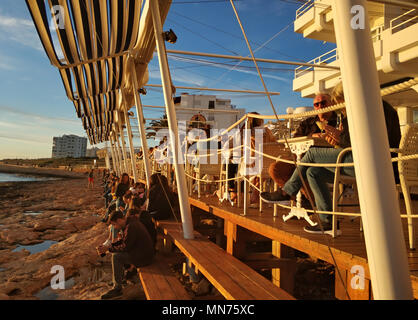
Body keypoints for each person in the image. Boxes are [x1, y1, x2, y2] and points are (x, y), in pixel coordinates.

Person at [261, 83, 401, 235]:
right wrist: (339, 139)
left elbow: (365, 142)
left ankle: (286, 193)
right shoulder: (380, 107)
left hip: (369, 163)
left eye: (336, 102)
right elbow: (363, 140)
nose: (337, 105)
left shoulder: (362, 109)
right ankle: (328, 221)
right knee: (313, 172)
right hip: (376, 163)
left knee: (312, 154)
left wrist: (339, 137)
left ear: (343, 97)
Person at [267, 93, 338, 204]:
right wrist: (312, 136)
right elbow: (296, 137)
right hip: (301, 158)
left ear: (331, 103)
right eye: (316, 104)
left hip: (326, 161)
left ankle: (307, 201)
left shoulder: (339, 120)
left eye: (323, 103)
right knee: (275, 169)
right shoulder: (308, 122)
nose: (320, 106)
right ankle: (306, 199)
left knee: (308, 171)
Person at [97, 210, 155, 299]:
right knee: (117, 254)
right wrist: (110, 246)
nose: (114, 227)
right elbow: (126, 243)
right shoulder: (130, 223)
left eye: (114, 224)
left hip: (144, 257)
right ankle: (120, 281)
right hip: (142, 253)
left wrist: (108, 249)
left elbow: (125, 247)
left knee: (116, 257)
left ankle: (117, 289)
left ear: (119, 220)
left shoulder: (131, 226)